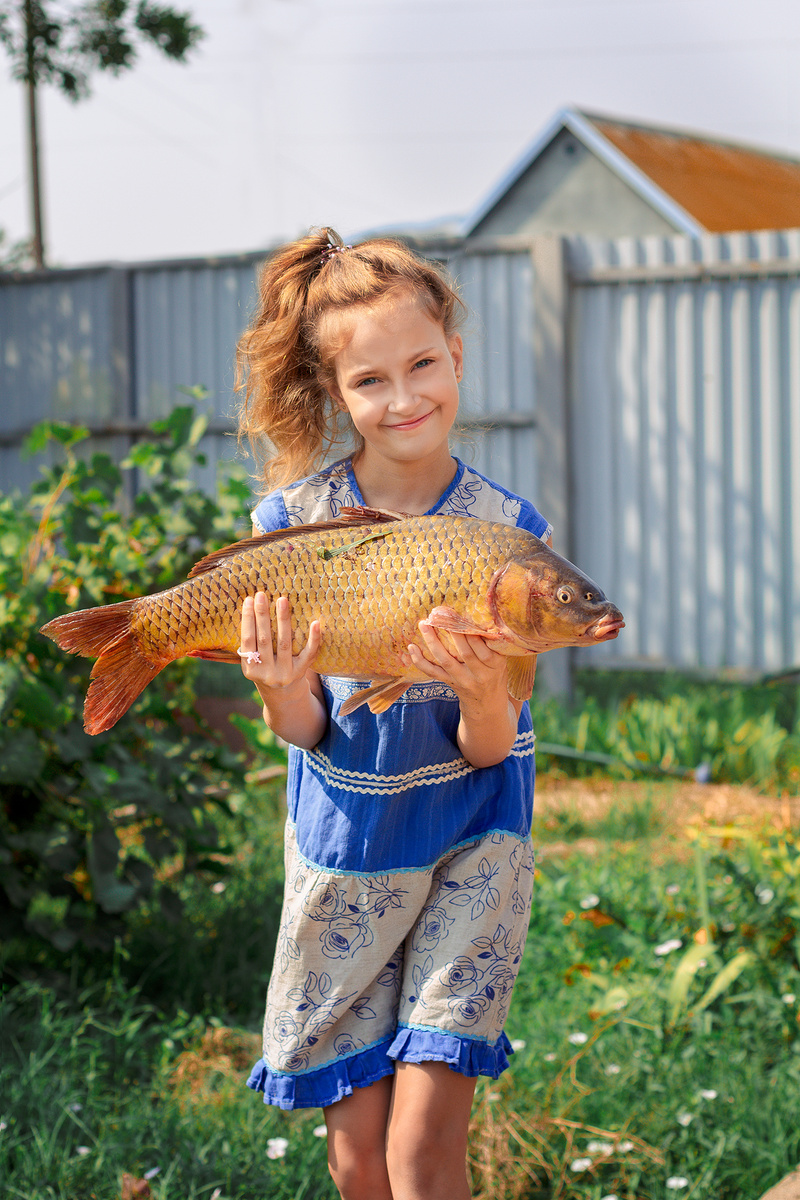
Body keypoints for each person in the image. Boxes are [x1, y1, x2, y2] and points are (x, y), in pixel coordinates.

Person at [236, 227, 552, 1200]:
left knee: (420, 1155)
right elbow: (301, 734)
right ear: (336, 395)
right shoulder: (291, 527)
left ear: (456, 356)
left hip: (470, 847)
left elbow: (490, 747)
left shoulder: (507, 534)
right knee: (359, 1161)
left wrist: (478, 686)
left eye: (423, 364)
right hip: (349, 848)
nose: (404, 397)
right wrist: (281, 681)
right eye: (371, 380)